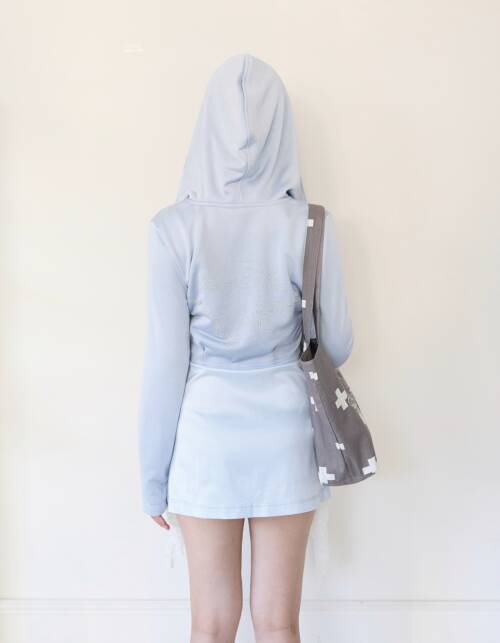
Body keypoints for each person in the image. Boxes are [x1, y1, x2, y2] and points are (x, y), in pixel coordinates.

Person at [138, 53, 354, 643]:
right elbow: (338, 343)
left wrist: (152, 479)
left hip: (206, 439)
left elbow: (165, 367)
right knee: (279, 623)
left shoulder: (172, 228)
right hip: (286, 434)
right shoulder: (311, 224)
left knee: (210, 626)